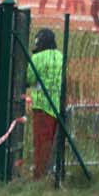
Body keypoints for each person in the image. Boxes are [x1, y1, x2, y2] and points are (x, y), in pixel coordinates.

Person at [28, 28, 64, 180]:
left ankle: (39, 177)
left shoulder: (37, 58)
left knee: (41, 143)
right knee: (53, 142)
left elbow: (29, 79)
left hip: (42, 106)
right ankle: (51, 173)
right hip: (57, 105)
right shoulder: (60, 56)